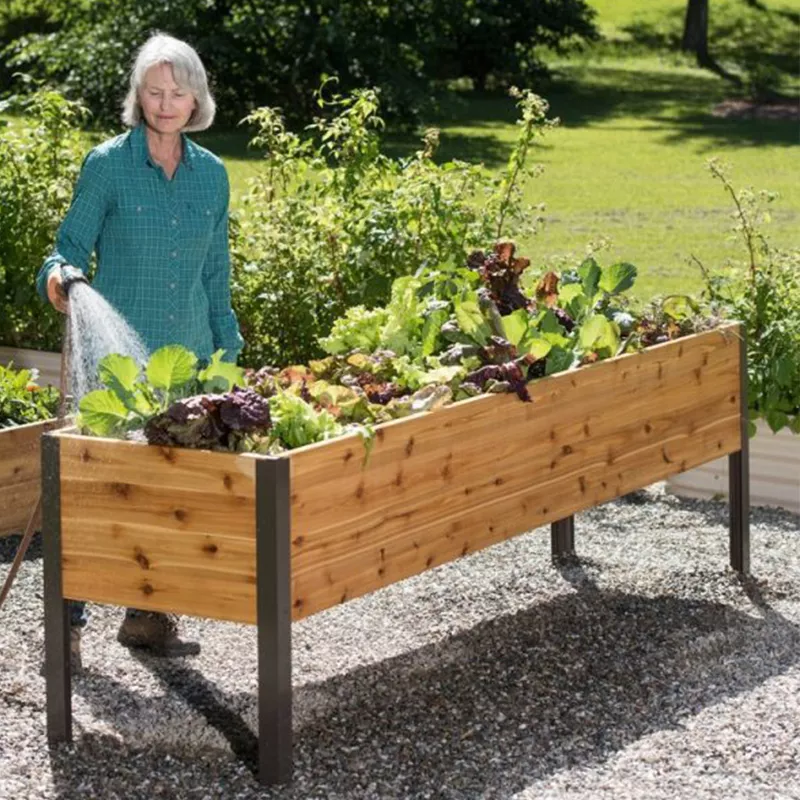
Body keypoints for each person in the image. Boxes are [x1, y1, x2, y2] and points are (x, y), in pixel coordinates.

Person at [36, 33, 244, 670]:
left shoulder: (211, 174)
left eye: (177, 93)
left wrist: (228, 351)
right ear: (138, 96)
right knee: (93, 494)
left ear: (196, 99)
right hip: (115, 368)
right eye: (153, 91)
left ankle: (148, 618)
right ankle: (66, 635)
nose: (164, 103)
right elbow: (64, 248)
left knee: (169, 498)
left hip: (185, 361)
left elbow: (216, 273)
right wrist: (60, 280)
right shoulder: (108, 165)